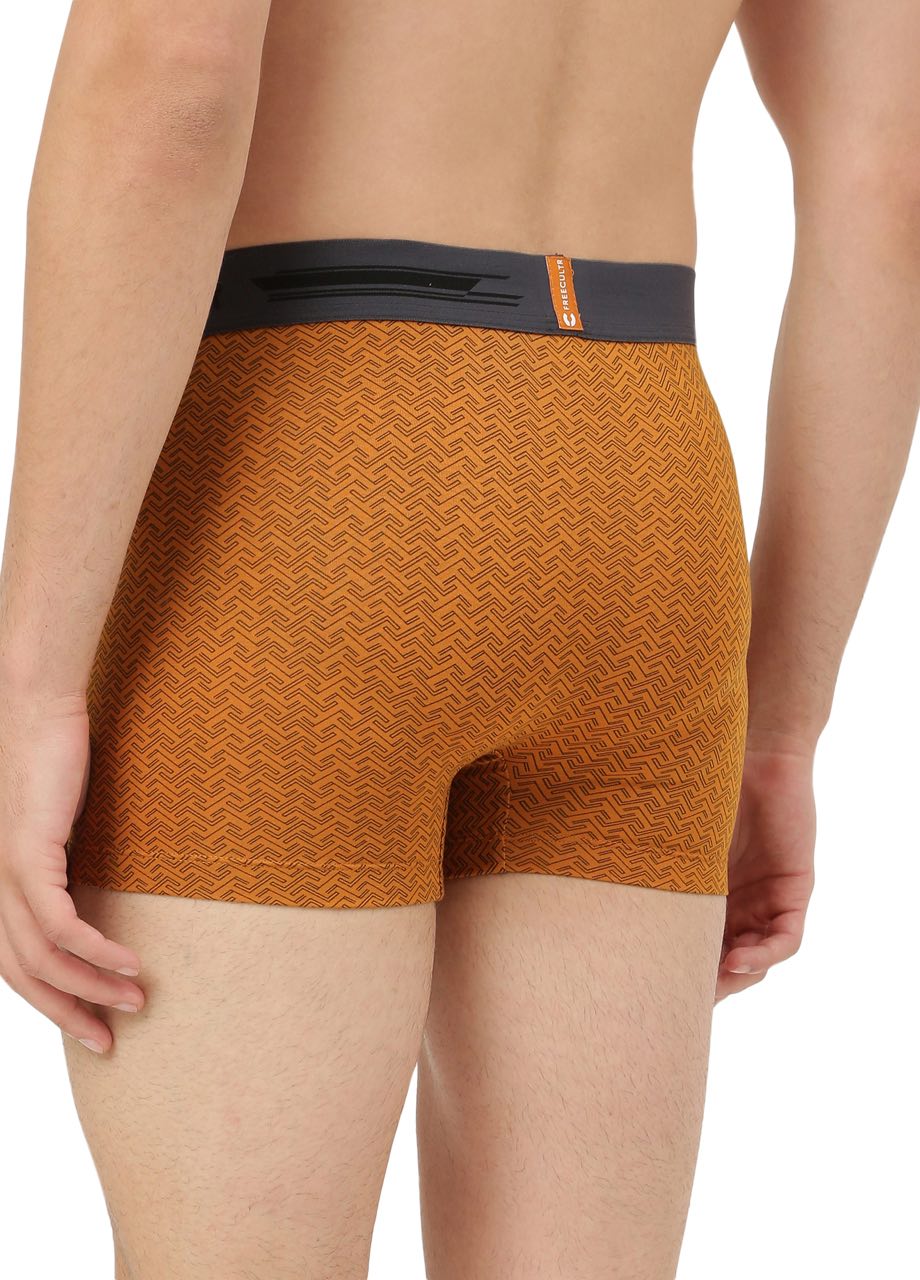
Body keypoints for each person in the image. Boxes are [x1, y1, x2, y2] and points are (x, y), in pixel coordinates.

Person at [0, 0, 917, 1276]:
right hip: (642, 490)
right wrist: (782, 723)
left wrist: (33, 684)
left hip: (305, 486)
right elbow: (889, 180)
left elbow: (172, 76)